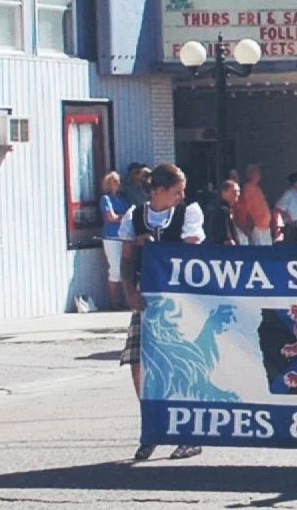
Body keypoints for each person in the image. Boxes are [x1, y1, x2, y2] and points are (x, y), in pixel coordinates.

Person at [117, 162, 206, 462]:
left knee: (179, 365)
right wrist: (129, 291)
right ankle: (153, 425)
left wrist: (161, 247)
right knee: (138, 363)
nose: (181, 197)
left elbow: (192, 249)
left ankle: (187, 434)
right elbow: (127, 259)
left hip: (179, 301)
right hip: (147, 299)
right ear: (159, 191)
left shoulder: (187, 214)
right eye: (176, 192)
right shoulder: (135, 216)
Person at [99, 171, 130, 310]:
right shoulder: (106, 199)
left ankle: (123, 300)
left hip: (123, 236)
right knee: (115, 269)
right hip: (111, 237)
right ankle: (114, 301)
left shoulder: (122, 199)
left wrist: (121, 216)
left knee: (124, 269)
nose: (118, 183)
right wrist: (121, 217)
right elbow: (110, 217)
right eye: (115, 181)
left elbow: (128, 214)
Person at [235, 164, 272, 245]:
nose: (259, 174)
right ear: (250, 174)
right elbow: (246, 208)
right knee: (260, 254)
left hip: (265, 227)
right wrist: (250, 225)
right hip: (257, 227)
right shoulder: (247, 188)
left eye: (259, 171)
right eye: (256, 171)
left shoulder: (258, 188)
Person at [206, 180, 241, 245]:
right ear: (224, 192)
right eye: (234, 191)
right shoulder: (221, 211)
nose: (237, 194)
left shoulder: (229, 210)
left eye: (239, 192)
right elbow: (226, 239)